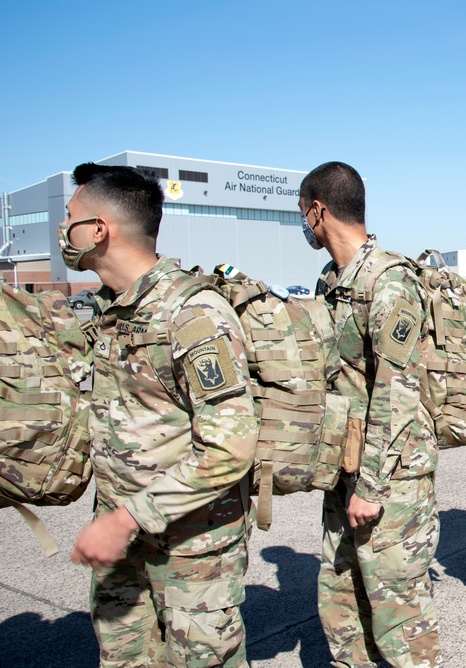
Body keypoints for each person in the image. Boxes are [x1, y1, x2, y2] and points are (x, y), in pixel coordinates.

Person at [66, 163, 258, 666]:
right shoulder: (110, 312)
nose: (63, 231)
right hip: (121, 546)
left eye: (70, 219)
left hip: (190, 554)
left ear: (98, 229)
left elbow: (229, 447)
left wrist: (129, 517)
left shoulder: (191, 315)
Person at [303, 162, 441, 666]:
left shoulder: (389, 282)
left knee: (398, 610)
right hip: (347, 462)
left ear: (318, 210)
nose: (305, 225)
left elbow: (396, 391)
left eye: (304, 214)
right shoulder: (331, 278)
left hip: (391, 473)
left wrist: (372, 485)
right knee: (341, 594)